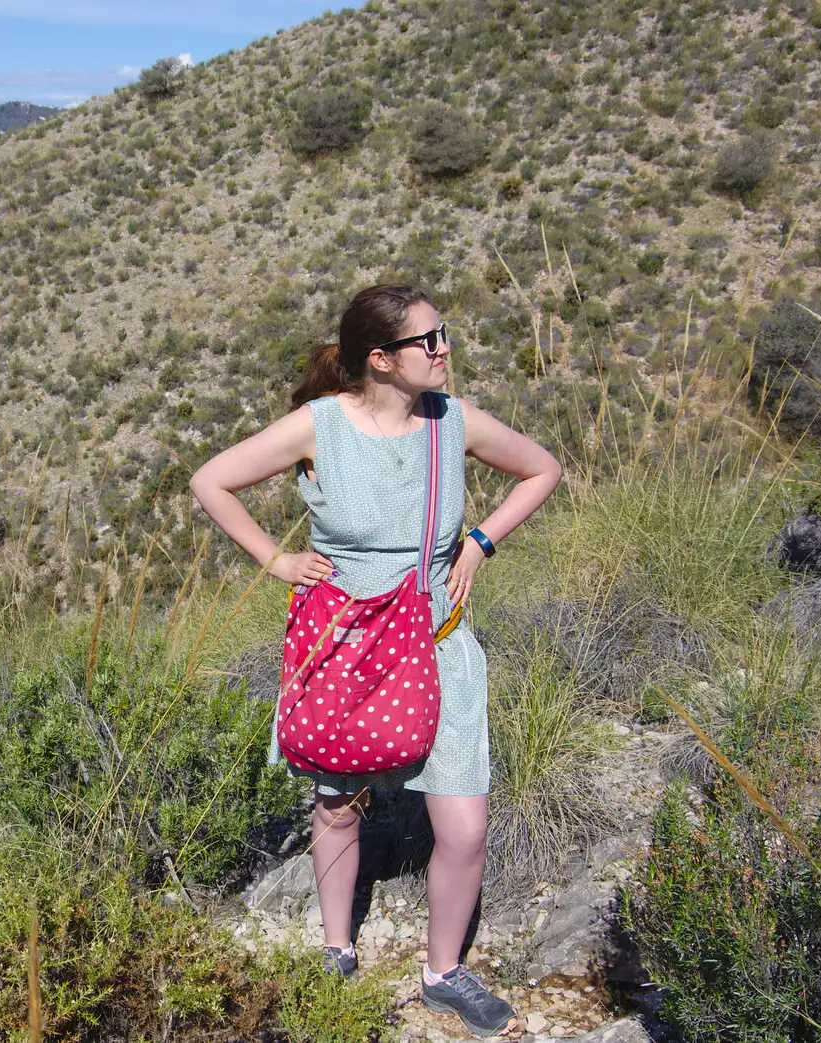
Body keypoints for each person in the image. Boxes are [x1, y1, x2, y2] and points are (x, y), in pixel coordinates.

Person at [189, 284, 560, 1038]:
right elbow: (211, 480)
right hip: (350, 648)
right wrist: (277, 557)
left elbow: (542, 469)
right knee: (336, 806)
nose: (444, 348)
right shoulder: (319, 426)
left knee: (463, 826)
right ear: (381, 360)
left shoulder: (453, 422)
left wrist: (481, 542)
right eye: (429, 341)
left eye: (442, 334)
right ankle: (337, 947)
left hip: (440, 643)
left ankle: (443, 970)